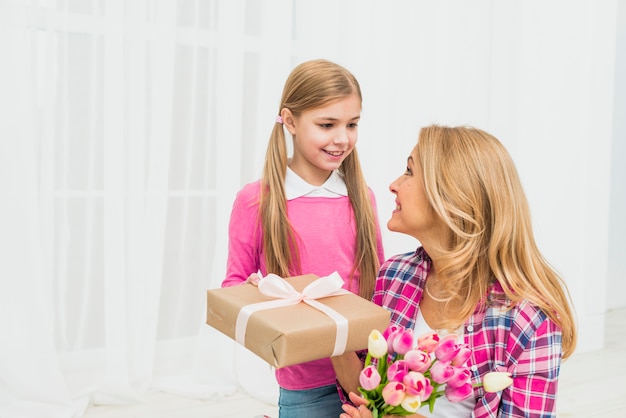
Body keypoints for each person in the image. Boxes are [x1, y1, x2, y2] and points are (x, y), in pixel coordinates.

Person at [335, 125, 577, 418]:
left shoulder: (529, 318)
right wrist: (331, 327)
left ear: (450, 197)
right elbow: (368, 393)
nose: (394, 184)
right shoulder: (394, 276)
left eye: (410, 171)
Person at [221, 59, 385, 418]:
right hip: (303, 384)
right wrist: (255, 291)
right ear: (290, 121)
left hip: (369, 378)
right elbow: (234, 286)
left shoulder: (363, 197)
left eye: (352, 124)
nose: (342, 138)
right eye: (327, 125)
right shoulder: (256, 200)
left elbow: (380, 286)